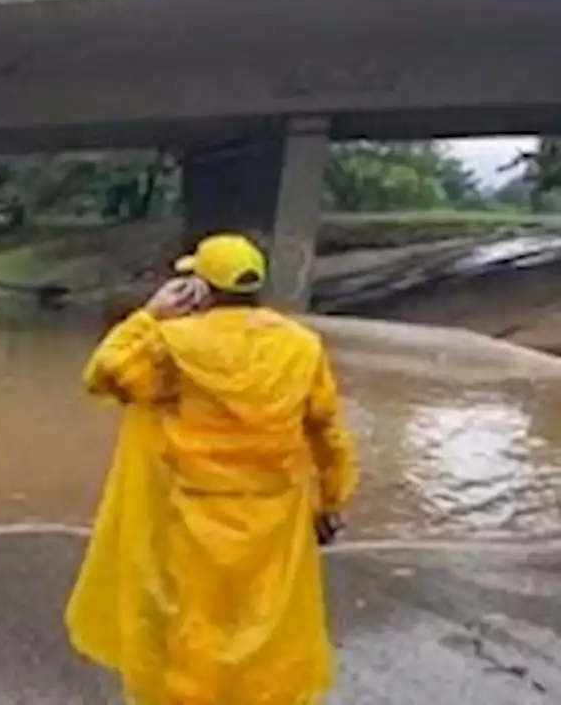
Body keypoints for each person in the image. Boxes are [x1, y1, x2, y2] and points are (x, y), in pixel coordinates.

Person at [66, 232, 359, 705]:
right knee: (262, 626)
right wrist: (332, 500)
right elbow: (326, 433)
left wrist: (148, 315)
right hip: (272, 520)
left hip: (189, 517)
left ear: (199, 289)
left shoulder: (169, 346)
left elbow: (104, 374)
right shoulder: (302, 347)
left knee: (188, 627)